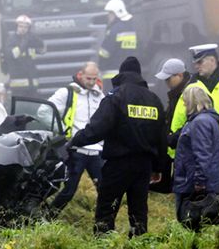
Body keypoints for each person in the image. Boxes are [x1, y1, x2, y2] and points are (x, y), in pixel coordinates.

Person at [69, 57, 167, 237]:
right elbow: (162, 138)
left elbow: (97, 129)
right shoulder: (154, 100)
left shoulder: (116, 97)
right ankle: (139, 243)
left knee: (107, 210)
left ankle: (104, 242)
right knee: (139, 213)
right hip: (144, 166)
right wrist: (159, 167)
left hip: (118, 164)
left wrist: (75, 141)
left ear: (121, 74)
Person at [172, 44, 219, 210]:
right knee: (197, 189)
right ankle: (200, 220)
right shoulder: (194, 84)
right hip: (197, 144)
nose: (196, 66)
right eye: (195, 63)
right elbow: (182, 114)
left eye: (200, 62)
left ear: (213, 60)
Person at [47, 62, 105, 211]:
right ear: (80, 75)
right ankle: (47, 217)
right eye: (88, 78)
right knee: (68, 191)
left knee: (105, 191)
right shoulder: (67, 92)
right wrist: (61, 132)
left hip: (96, 152)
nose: (91, 82)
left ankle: (104, 225)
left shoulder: (100, 96)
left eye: (94, 79)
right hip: (75, 150)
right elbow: (45, 111)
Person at [174, 86, 219, 230]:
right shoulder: (208, 120)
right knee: (208, 227)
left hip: (195, 185)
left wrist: (199, 183)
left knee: (191, 224)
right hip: (209, 184)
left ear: (192, 101)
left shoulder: (199, 122)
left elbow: (202, 155)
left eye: (185, 101)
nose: (184, 105)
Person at [150, 58, 191, 193]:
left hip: (184, 146)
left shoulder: (190, 92)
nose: (166, 82)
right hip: (175, 146)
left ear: (179, 75)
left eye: (168, 79)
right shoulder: (176, 93)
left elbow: (193, 121)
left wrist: (173, 138)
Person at [3, 14, 45, 98]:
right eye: (21, 26)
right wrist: (23, 43)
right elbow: (12, 55)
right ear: (17, 27)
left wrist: (34, 37)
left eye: (25, 27)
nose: (23, 29)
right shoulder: (11, 40)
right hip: (18, 87)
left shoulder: (30, 39)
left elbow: (42, 49)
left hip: (32, 85)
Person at [98, 0, 138, 88]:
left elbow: (105, 53)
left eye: (110, 13)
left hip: (112, 76)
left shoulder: (114, 29)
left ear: (116, 13)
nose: (108, 16)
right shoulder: (132, 28)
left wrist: (100, 66)